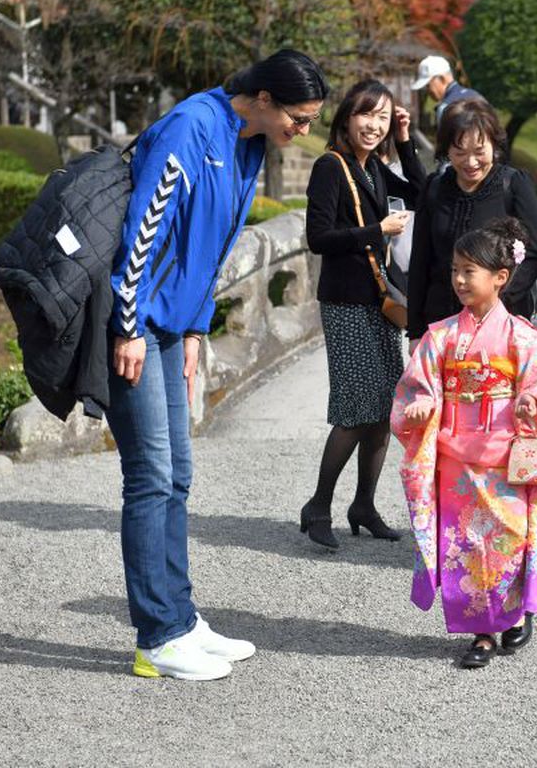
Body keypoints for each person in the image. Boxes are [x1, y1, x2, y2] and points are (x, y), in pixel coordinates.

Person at [108, 49, 329, 680]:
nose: (303, 130)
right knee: (150, 477)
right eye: (300, 117)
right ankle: (157, 637)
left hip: (173, 328)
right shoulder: (190, 127)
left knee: (177, 474)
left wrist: (196, 330)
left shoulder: (249, 144)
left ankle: (179, 619)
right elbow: (143, 232)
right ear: (262, 98)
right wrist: (127, 328)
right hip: (138, 326)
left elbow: (210, 247)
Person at [391, 218, 537, 670]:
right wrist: (422, 406)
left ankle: (512, 614)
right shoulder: (440, 336)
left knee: (508, 541)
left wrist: (534, 398)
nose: (458, 279)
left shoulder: (520, 336)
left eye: (469, 271)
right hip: (456, 459)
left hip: (505, 457)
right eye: (455, 269)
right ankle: (481, 632)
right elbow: (418, 387)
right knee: (465, 545)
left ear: (501, 278)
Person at [301, 79, 427, 551]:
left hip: (380, 301)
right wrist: (376, 230)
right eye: (366, 116)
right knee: (355, 409)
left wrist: (405, 139)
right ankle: (318, 505)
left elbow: (422, 187)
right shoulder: (330, 167)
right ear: (346, 118)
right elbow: (318, 237)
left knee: (385, 410)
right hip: (346, 301)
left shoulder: (373, 166)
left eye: (382, 117)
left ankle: (364, 505)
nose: (373, 126)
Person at [405, 98, 537, 344]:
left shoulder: (514, 184)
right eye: (460, 153)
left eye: (479, 152)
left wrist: (495, 299)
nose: (471, 163)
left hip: (501, 324)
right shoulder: (434, 189)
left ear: (494, 145)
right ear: (447, 150)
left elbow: (533, 255)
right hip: (442, 325)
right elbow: (420, 262)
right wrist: (416, 331)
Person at [411, 54, 484, 125]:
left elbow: (446, 137)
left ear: (442, 79)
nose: (427, 91)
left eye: (428, 85)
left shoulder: (446, 108)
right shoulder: (476, 96)